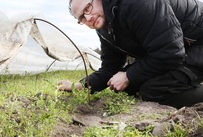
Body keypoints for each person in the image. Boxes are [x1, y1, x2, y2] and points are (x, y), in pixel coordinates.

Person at [58, 0, 203, 109]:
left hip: (197, 41)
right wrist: (80, 85)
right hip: (180, 48)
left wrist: (128, 75)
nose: (88, 18)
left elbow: (170, 53)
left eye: (88, 8)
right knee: (131, 87)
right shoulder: (105, 28)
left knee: (154, 90)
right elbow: (110, 67)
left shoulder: (137, 4)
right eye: (82, 18)